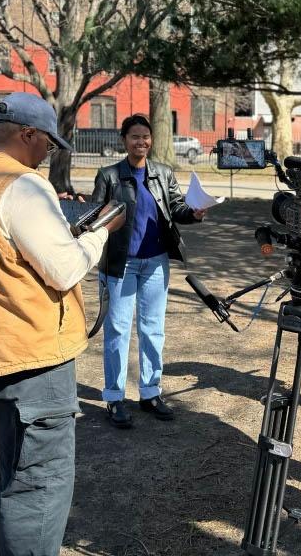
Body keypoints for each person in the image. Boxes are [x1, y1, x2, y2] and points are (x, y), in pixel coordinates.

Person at [0, 92, 125, 556]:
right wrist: (98, 232)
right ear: (27, 135)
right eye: (47, 145)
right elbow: (65, 269)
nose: (48, 155)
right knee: (36, 485)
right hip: (26, 359)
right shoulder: (21, 186)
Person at [91, 114, 206, 428]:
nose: (141, 142)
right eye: (134, 137)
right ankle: (114, 397)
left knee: (153, 329)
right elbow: (95, 216)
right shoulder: (109, 175)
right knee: (117, 330)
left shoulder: (162, 173)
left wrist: (194, 213)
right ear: (124, 140)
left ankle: (150, 392)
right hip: (120, 264)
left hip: (156, 262)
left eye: (145, 136)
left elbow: (177, 208)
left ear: (151, 140)